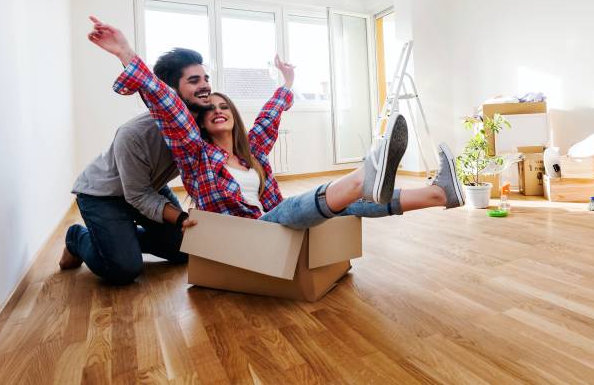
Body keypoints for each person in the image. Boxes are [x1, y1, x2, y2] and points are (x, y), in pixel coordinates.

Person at [87, 15, 464, 232]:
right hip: (245, 234)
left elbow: (269, 117)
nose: (216, 108)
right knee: (315, 198)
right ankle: (363, 174)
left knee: (347, 205)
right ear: (196, 124)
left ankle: (437, 195)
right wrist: (125, 53)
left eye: (224, 105)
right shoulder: (194, 152)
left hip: (273, 225)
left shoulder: (252, 154)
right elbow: (167, 104)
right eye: (208, 109)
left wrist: (287, 83)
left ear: (234, 116)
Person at [61, 44, 213, 284]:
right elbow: (138, 196)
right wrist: (183, 218)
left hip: (148, 186)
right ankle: (78, 238)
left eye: (206, 78)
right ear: (170, 91)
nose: (205, 85)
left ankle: (119, 239)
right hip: (103, 195)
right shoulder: (134, 134)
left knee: (186, 250)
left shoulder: (201, 127)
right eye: (194, 81)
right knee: (123, 269)